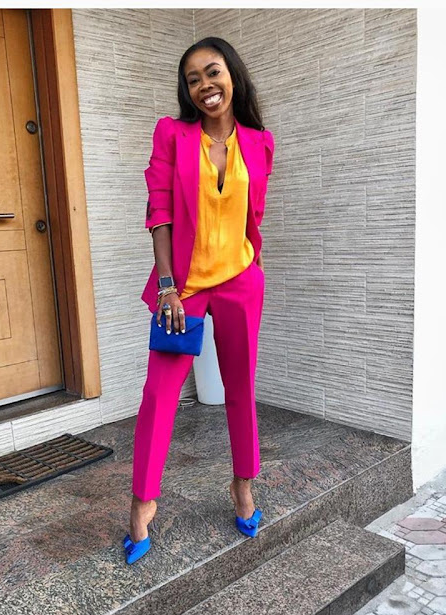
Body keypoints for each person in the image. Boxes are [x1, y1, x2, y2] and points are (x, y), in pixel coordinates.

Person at [123, 37, 275, 564]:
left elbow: (252, 214)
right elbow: (160, 211)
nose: (205, 85)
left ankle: (243, 485)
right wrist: (168, 285)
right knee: (160, 394)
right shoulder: (172, 134)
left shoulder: (259, 142)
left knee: (241, 387)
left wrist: (253, 265)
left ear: (232, 75)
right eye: (193, 79)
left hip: (240, 281)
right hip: (183, 288)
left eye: (213, 72)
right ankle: (143, 502)